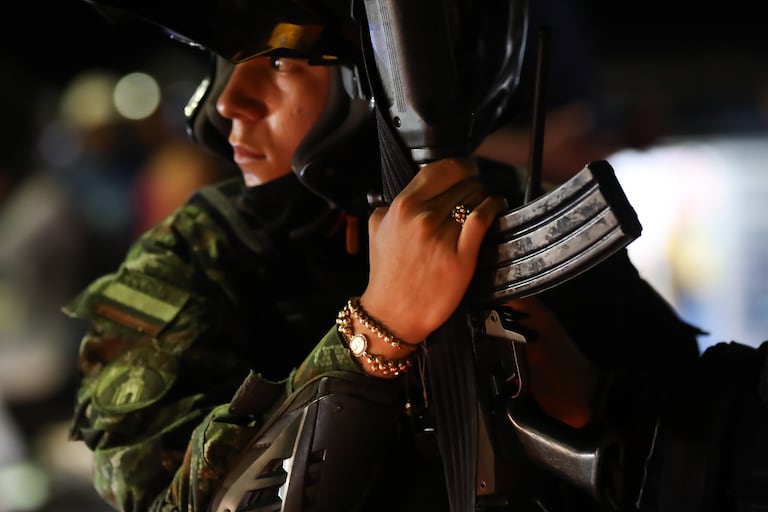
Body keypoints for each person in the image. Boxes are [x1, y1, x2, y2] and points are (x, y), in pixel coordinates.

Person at [64, 1, 767, 511]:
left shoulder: (519, 214)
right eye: (224, 67)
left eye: (278, 62)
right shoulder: (192, 265)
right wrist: (377, 332)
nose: (231, 104)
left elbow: (694, 443)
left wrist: (592, 409)